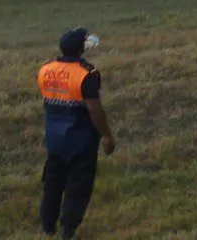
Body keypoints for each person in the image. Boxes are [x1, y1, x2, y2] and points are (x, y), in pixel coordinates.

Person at [37, 27, 115, 239]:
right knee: (78, 186)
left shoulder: (45, 70)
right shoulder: (86, 74)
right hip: (80, 141)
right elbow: (94, 109)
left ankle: (47, 226)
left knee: (53, 183)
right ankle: (68, 229)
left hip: (54, 139)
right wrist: (107, 135)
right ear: (82, 48)